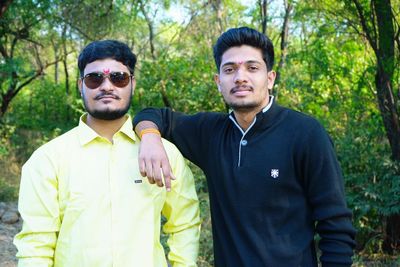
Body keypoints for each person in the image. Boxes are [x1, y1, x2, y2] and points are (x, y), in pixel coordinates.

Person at [133, 27, 356, 266]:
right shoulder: (210, 133)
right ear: (219, 82)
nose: (240, 77)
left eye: (252, 68)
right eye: (230, 70)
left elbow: (336, 226)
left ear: (270, 79)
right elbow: (153, 115)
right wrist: (150, 137)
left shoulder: (305, 133)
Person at [14, 40, 201, 267]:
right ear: (80, 85)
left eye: (118, 78)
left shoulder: (164, 154)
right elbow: (36, 244)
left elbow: (184, 224)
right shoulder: (48, 159)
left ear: (132, 83)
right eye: (95, 79)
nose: (107, 86)